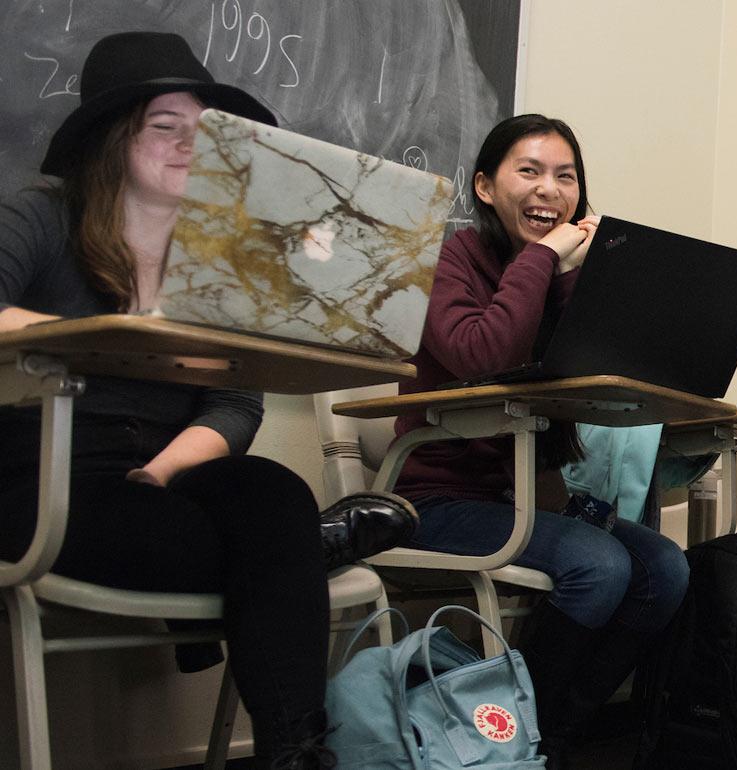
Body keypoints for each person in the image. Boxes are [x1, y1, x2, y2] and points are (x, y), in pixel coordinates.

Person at [0, 31, 410, 769]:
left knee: (275, 494)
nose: (191, 144)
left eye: (204, 130)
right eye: (166, 126)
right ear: (111, 136)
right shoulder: (43, 217)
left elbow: (235, 405)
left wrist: (158, 474)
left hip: (159, 478)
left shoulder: (220, 261)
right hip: (46, 475)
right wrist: (109, 334)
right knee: (270, 543)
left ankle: (295, 753)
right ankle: (308, 550)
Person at [391, 113, 689, 767]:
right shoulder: (448, 259)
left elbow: (596, 374)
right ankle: (521, 735)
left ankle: (550, 732)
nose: (549, 190)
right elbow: (481, 350)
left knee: (665, 569)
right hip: (434, 502)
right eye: (528, 171)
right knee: (600, 566)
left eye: (566, 177)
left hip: (529, 498)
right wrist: (546, 255)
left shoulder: (563, 275)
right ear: (485, 187)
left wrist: (596, 280)